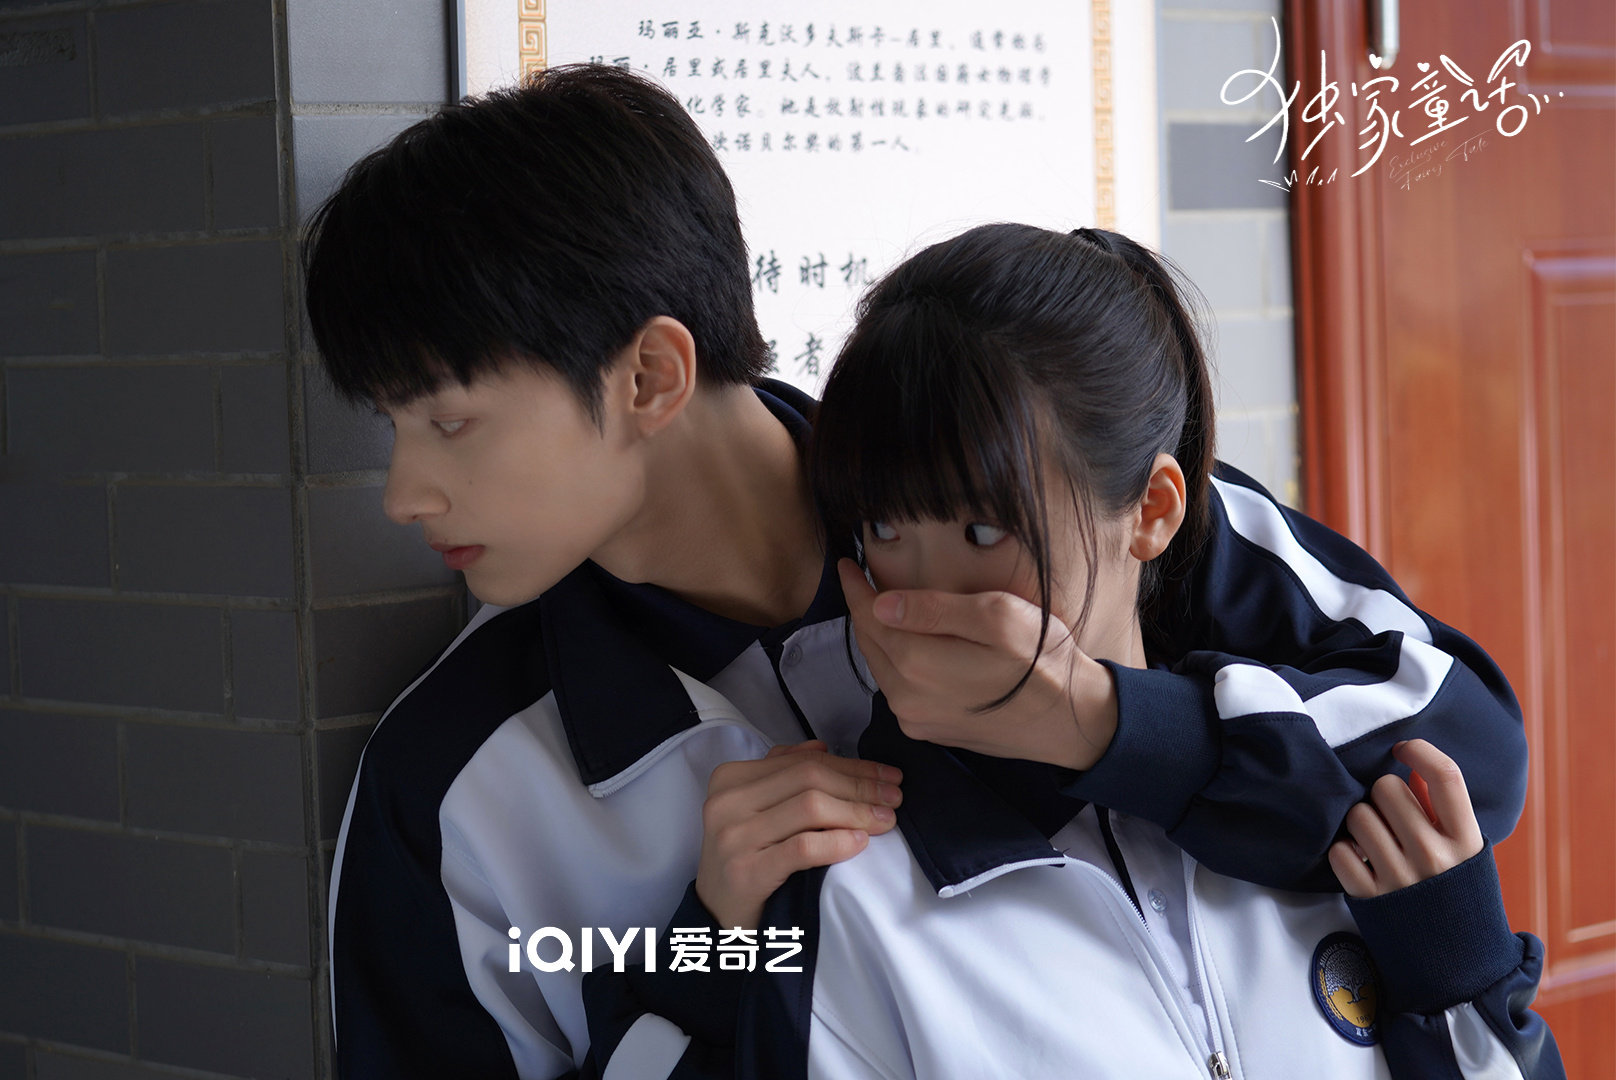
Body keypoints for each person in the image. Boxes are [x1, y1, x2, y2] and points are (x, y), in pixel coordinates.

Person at [300, 64, 1530, 1077]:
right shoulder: (452, 783)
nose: (404, 493)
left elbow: (1470, 756)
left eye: (448, 422)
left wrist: (1111, 726)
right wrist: (710, 947)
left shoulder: (1056, 501)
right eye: (394, 426)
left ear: (650, 377)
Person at [735, 222, 1561, 1079]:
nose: (924, 597)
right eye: (884, 529)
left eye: (983, 532)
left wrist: (1462, 982)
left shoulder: (1342, 812)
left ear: (1155, 512)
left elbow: (1479, 744)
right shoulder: (851, 892)